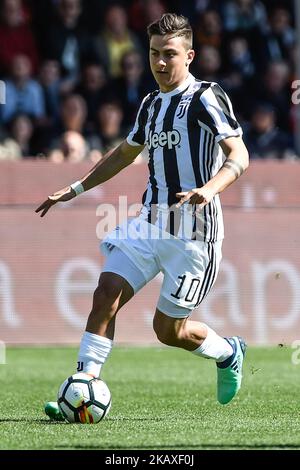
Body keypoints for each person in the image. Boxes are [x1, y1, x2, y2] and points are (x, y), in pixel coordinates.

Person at [36, 13, 249, 421]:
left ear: (190, 55)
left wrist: (210, 188)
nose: (160, 63)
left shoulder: (207, 96)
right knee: (106, 292)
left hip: (195, 236)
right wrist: (77, 187)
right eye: (154, 54)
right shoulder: (151, 103)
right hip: (150, 223)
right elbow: (126, 152)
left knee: (168, 331)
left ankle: (227, 353)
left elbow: (239, 154)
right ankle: (82, 389)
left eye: (169, 54)